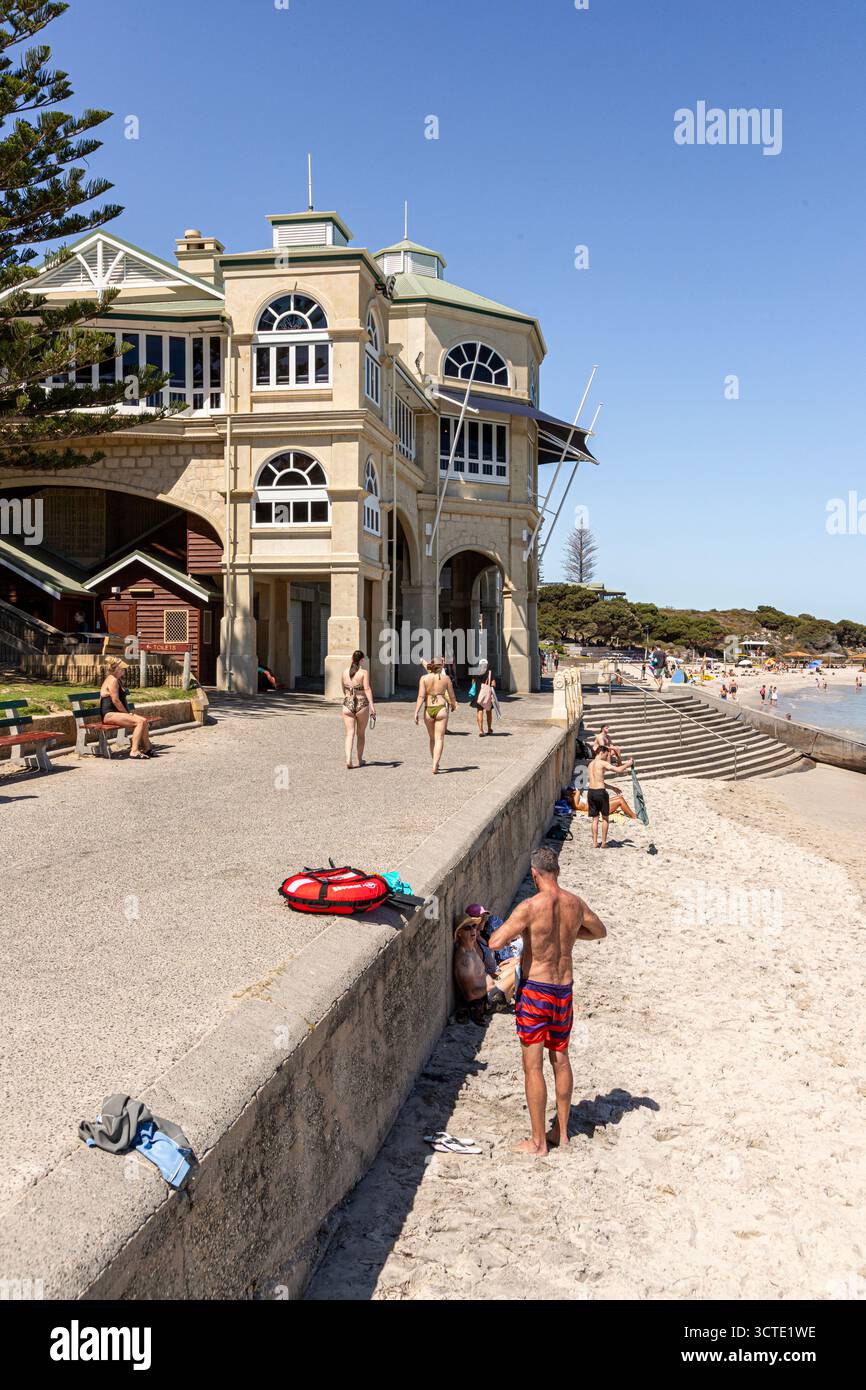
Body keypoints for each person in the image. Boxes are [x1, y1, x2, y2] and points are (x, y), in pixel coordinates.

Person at [488, 846, 607, 1157]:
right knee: (561, 1058)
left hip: (536, 991)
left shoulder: (530, 906)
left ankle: (539, 1142)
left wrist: (528, 934)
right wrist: (567, 937)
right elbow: (599, 931)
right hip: (563, 990)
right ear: (558, 871)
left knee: (533, 1066)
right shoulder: (574, 903)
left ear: (534, 874)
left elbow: (495, 941)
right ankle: (562, 1133)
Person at [99, 661, 153, 759]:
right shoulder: (112, 680)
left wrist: (128, 713)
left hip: (116, 714)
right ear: (116, 670)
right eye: (122, 668)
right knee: (139, 722)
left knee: (144, 720)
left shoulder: (117, 680)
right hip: (109, 715)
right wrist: (127, 714)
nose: (124, 670)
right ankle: (134, 751)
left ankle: (147, 749)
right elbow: (115, 700)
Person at [414, 657, 457, 774]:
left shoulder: (424, 678)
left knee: (432, 738)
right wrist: (453, 705)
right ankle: (435, 765)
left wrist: (416, 711)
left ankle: (434, 761)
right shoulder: (446, 678)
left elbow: (421, 696)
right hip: (441, 709)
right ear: (441, 666)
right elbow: (452, 695)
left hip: (428, 709)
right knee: (439, 739)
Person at [587, 744, 634, 848]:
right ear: (601, 752)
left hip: (591, 792)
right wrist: (628, 764)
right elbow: (618, 770)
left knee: (594, 819)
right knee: (605, 818)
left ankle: (594, 843)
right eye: (606, 754)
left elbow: (598, 781)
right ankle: (603, 843)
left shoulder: (590, 764)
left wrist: (613, 788)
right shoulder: (602, 763)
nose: (607, 757)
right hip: (600, 793)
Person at [341, 649, 375, 769]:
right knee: (361, 734)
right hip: (362, 704)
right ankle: (360, 759)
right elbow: (367, 689)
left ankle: (348, 759)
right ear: (362, 660)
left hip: (347, 704)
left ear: (352, 659)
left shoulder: (345, 672)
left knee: (349, 734)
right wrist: (372, 706)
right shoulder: (363, 673)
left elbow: (343, 689)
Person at [471, 660, 496, 736]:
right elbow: (493, 684)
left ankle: (481, 730)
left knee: (479, 711)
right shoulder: (490, 673)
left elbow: (473, 682)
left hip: (478, 694)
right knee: (488, 711)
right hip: (487, 695)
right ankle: (489, 729)